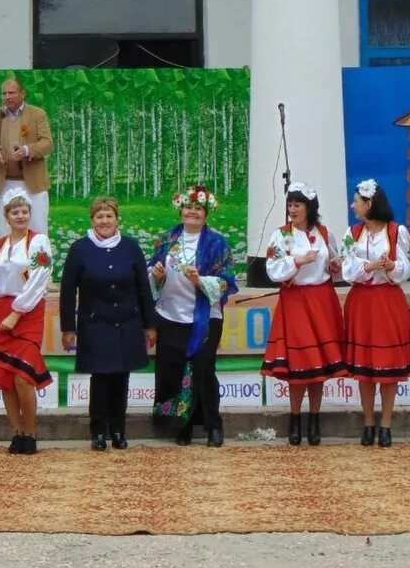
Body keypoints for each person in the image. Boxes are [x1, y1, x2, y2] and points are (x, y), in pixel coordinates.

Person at [60, 196, 157, 450]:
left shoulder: (131, 246)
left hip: (127, 323)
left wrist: (150, 325)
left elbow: (144, 289)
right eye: (99, 217)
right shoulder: (80, 248)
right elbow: (68, 291)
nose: (105, 221)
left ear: (117, 219)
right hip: (95, 324)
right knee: (101, 379)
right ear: (92, 220)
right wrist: (68, 328)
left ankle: (118, 430)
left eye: (109, 216)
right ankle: (98, 432)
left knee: (121, 379)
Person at [149, 184, 240, 448]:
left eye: (198, 208)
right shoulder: (167, 239)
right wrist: (156, 274)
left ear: (206, 212)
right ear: (181, 210)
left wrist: (200, 280)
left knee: (203, 370)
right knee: (175, 370)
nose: (192, 212)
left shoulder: (217, 242)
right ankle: (183, 424)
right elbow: (152, 271)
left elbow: (226, 282)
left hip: (204, 318)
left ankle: (213, 425)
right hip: (170, 316)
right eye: (188, 207)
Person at [262, 181, 350, 446]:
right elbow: (272, 269)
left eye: (297, 204)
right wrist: (297, 261)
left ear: (309, 207)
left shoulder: (325, 232)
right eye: (290, 204)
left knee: (318, 363)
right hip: (296, 300)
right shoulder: (281, 235)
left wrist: (336, 265)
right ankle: (295, 418)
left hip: (322, 299)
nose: (292, 209)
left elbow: (337, 264)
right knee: (299, 362)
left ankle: (314, 419)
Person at [0, 193, 54, 454]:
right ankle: (17, 432)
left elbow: (40, 278)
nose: (20, 216)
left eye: (24, 211)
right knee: (5, 376)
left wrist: (17, 312)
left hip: (27, 310)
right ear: (6, 216)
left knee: (23, 377)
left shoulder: (39, 241)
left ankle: (30, 433)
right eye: (15, 212)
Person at [342, 179, 410, 448]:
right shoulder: (352, 233)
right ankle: (368, 423)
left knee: (387, 366)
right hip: (361, 301)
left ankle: (385, 424)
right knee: (365, 368)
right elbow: (348, 270)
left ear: (369, 204)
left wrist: (390, 266)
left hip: (387, 301)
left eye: (356, 201)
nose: (353, 206)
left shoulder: (397, 232)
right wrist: (370, 266)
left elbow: (406, 270)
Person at [0, 76, 55, 235]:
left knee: (37, 229)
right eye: (4, 93)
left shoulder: (37, 114)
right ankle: (7, 260)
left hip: (33, 184)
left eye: (11, 93)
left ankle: (37, 259)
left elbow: (48, 144)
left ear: (23, 93)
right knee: (6, 231)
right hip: (4, 183)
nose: (7, 97)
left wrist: (27, 150)